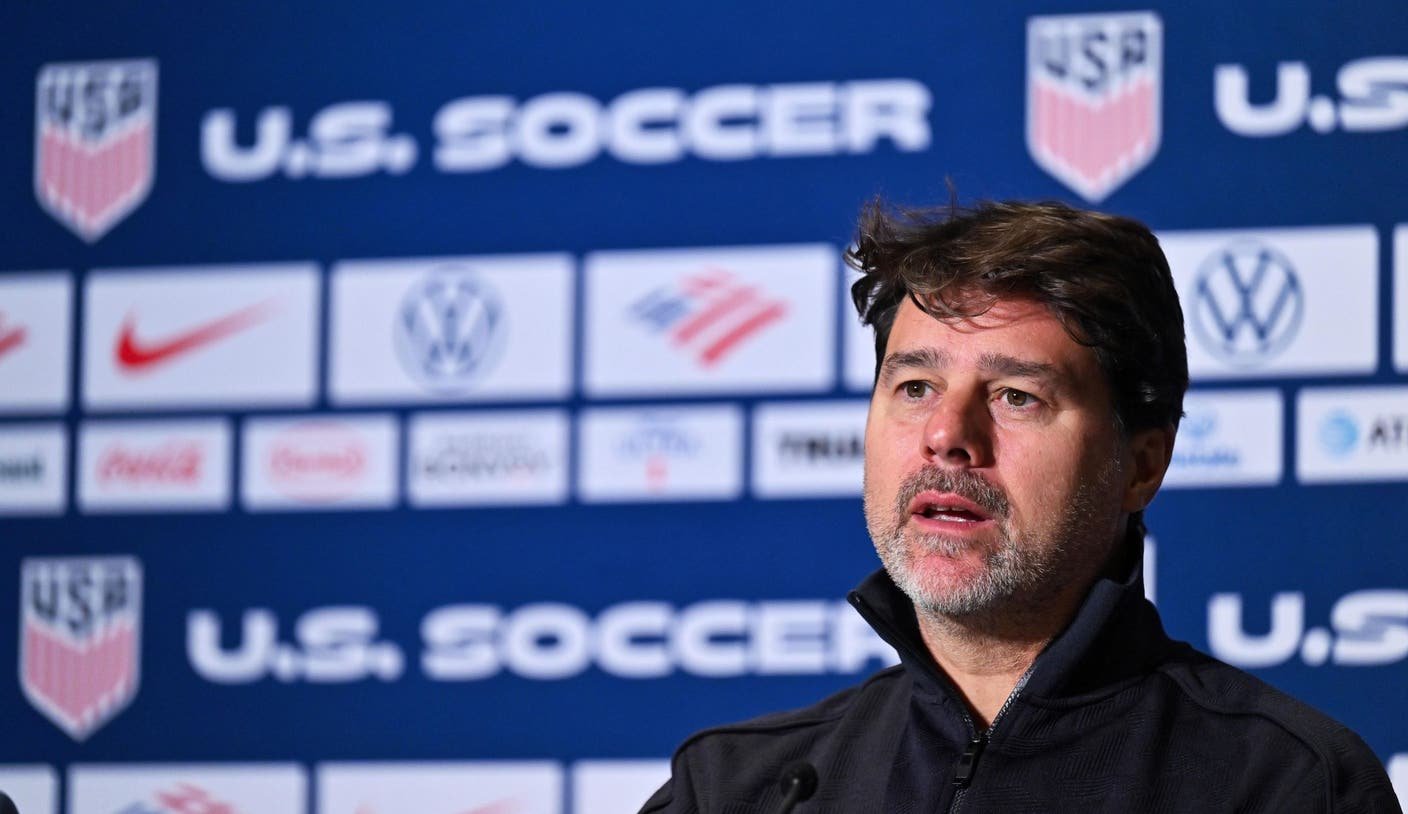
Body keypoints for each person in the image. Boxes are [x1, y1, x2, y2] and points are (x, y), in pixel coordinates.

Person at [642, 199, 1401, 812]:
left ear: (1142, 465)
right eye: (915, 387)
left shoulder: (1285, 786)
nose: (947, 435)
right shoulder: (737, 788)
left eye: (1016, 396)